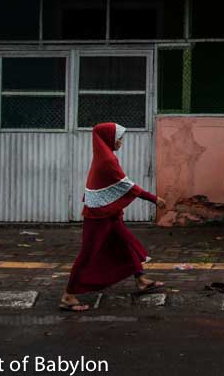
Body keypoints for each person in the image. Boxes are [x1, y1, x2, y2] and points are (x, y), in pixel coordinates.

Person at [59, 122, 168, 311]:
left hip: (108, 213)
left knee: (125, 244)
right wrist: (154, 199)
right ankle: (68, 296)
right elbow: (127, 186)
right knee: (88, 254)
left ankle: (141, 280)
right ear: (109, 139)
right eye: (119, 138)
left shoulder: (104, 156)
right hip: (98, 216)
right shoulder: (107, 161)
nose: (121, 142)